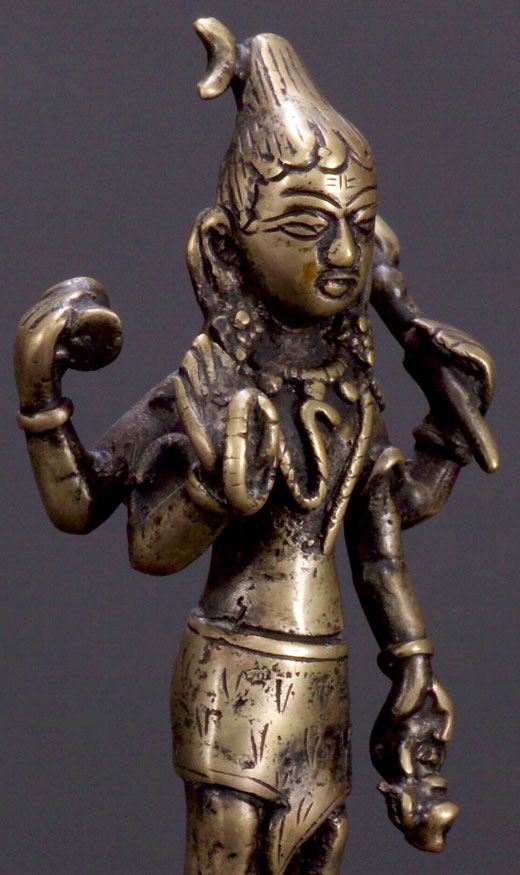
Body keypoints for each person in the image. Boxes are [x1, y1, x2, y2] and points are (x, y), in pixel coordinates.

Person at [14, 18, 498, 875]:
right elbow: (110, 521)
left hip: (325, 690)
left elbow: (383, 538)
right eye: (308, 226)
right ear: (223, 244)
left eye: (356, 225)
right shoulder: (210, 384)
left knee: (321, 850)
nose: (340, 252)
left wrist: (447, 435)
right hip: (232, 682)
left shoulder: (353, 391)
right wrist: (45, 403)